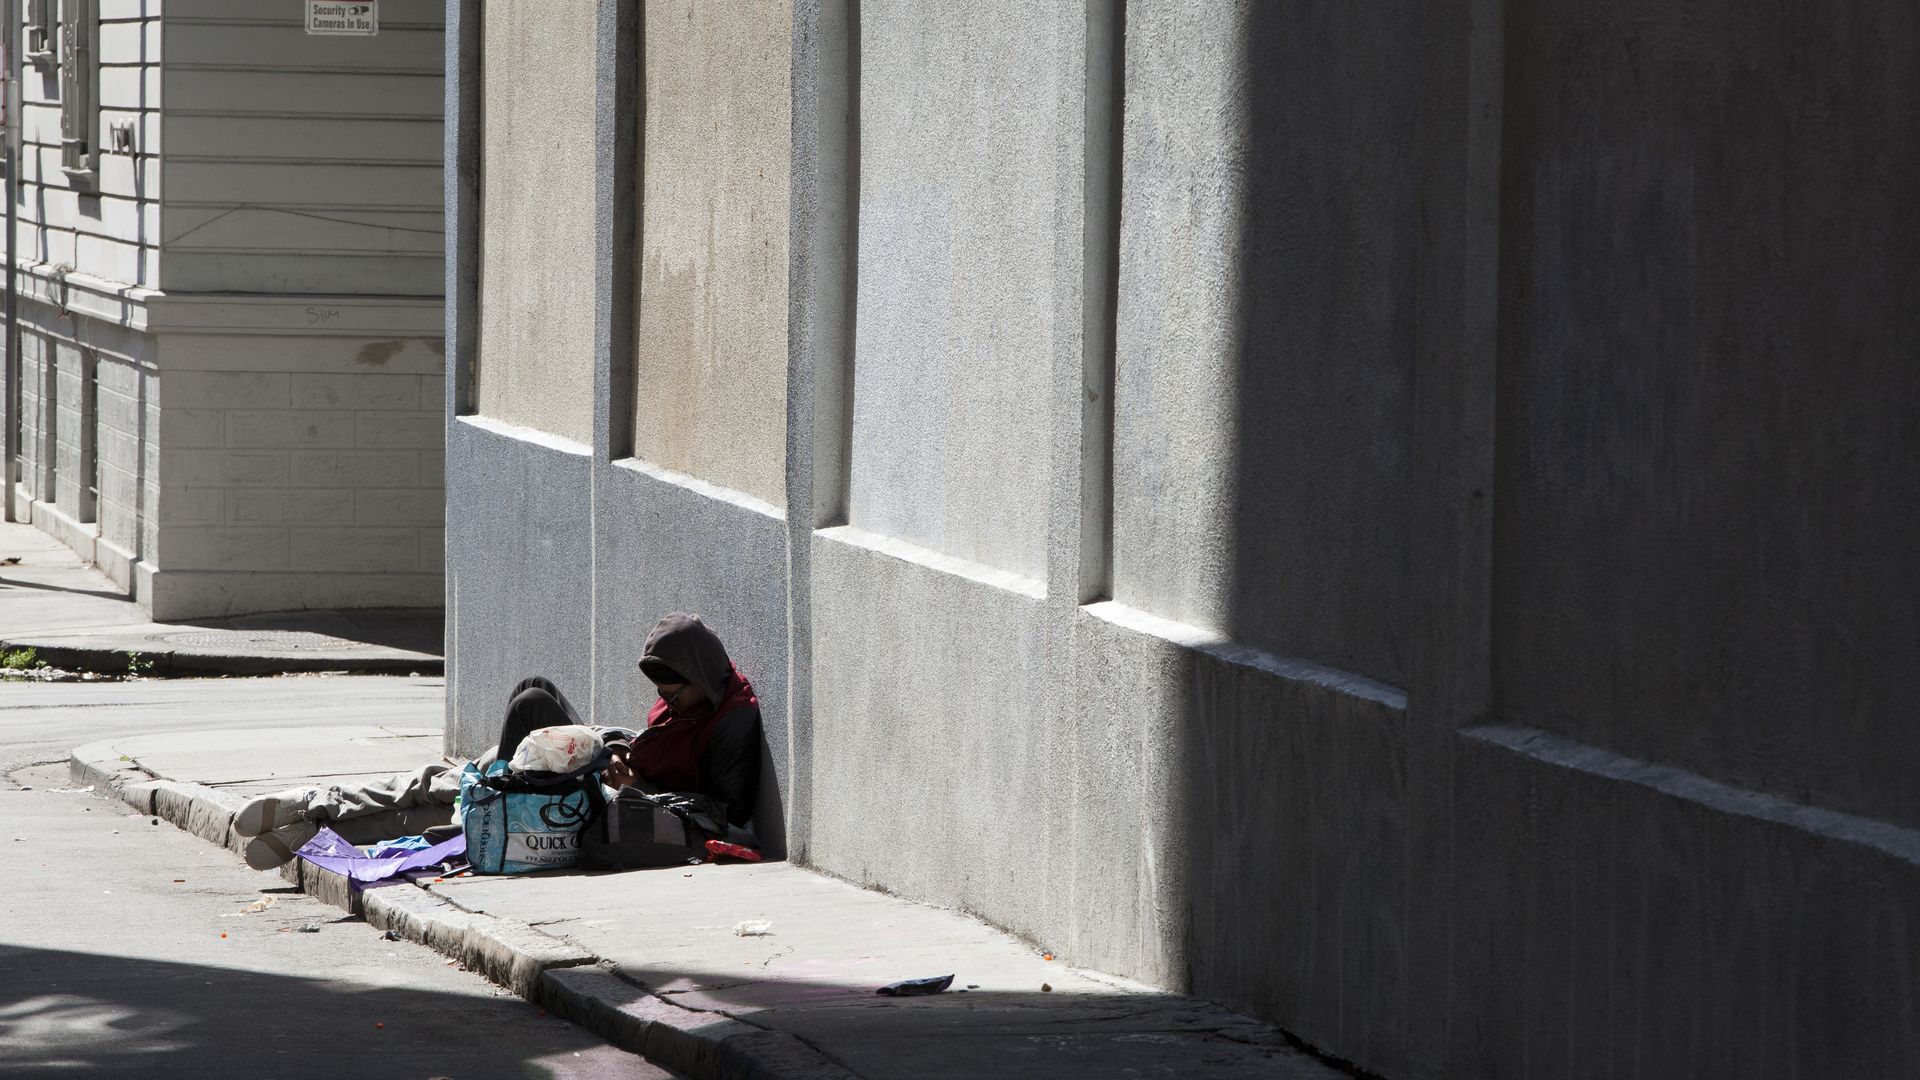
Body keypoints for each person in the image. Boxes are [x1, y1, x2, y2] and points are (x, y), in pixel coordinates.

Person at [234, 612, 764, 870]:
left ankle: (313, 822)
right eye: (661, 692)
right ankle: (313, 809)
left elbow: (726, 816)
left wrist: (637, 783)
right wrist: (620, 750)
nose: (667, 701)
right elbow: (655, 740)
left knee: (463, 793)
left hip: (619, 809)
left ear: (701, 674)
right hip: (605, 776)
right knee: (521, 711)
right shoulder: (691, 700)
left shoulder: (731, 722)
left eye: (675, 691)